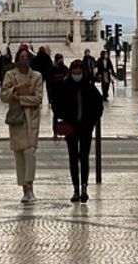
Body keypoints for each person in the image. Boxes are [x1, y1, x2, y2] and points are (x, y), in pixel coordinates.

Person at [55, 58, 103, 203]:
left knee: (84, 157)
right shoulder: (64, 86)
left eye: (79, 72)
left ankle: (84, 187)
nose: (77, 74)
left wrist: (91, 122)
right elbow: (57, 106)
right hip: (71, 128)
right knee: (73, 158)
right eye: (75, 72)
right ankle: (75, 188)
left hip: (85, 128)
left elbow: (98, 107)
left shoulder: (89, 88)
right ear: (71, 72)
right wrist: (62, 120)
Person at [0, 47, 44, 205]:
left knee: (30, 152)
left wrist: (19, 99)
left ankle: (30, 186)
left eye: (26, 56)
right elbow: (3, 96)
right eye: (21, 56)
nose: (24, 58)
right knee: (19, 154)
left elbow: (38, 99)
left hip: (31, 118)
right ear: (17, 58)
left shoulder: (37, 76)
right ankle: (24, 189)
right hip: (17, 118)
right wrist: (15, 90)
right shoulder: (10, 75)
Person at [49, 52, 70, 136]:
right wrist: (50, 97)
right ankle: (55, 131)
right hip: (56, 96)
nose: (61, 61)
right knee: (56, 114)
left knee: (65, 114)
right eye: (59, 60)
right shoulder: (52, 70)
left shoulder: (65, 68)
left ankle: (64, 130)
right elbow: (50, 84)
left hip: (64, 95)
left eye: (62, 59)